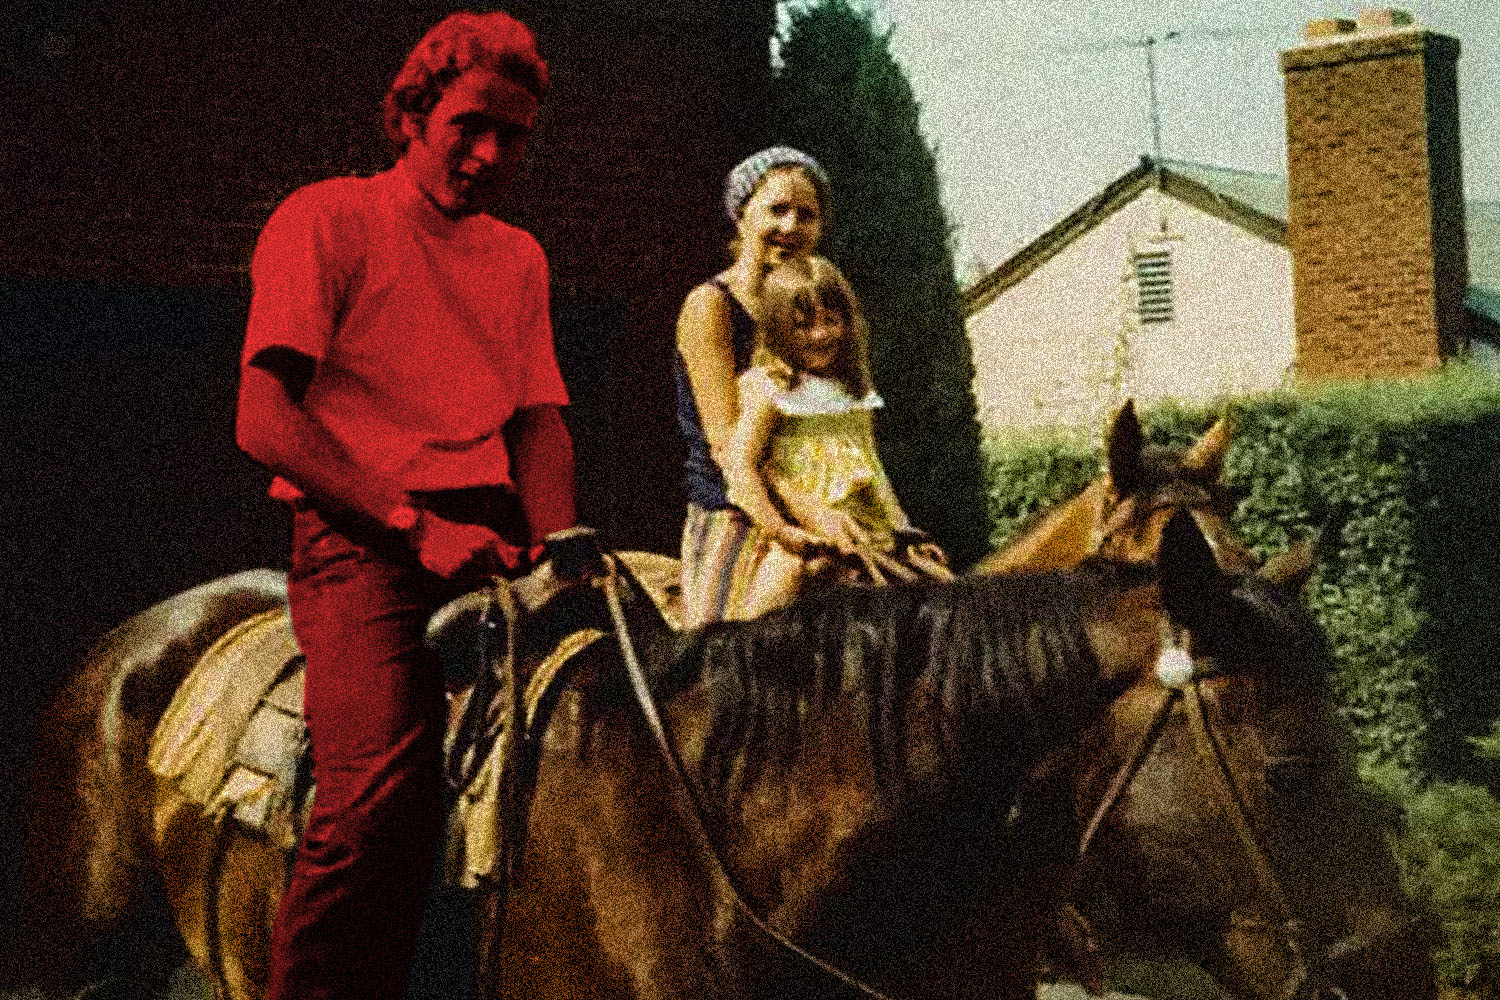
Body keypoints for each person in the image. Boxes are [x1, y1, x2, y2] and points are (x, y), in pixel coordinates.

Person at [233, 12, 575, 1000]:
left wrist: (558, 545)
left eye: (512, 136)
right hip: (361, 541)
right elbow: (263, 417)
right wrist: (414, 526)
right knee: (375, 799)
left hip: (489, 535)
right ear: (416, 113)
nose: (488, 153)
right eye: (468, 125)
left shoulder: (520, 259)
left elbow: (540, 424)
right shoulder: (326, 220)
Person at [719, 256, 948, 617]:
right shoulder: (770, 388)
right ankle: (729, 661)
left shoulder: (851, 391)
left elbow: (872, 467)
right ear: (778, 330)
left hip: (868, 530)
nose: (821, 334)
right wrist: (780, 529)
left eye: (830, 320)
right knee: (767, 608)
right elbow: (743, 467)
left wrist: (906, 531)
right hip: (804, 531)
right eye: (803, 325)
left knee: (945, 591)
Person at [673, 145, 830, 626]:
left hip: (815, 502)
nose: (790, 227)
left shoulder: (816, 314)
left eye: (806, 215)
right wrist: (794, 522)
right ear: (741, 217)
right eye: (777, 209)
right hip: (736, 509)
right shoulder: (711, 307)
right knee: (729, 661)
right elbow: (727, 447)